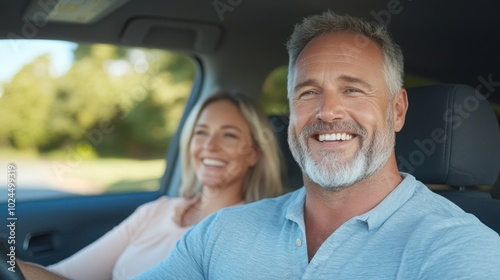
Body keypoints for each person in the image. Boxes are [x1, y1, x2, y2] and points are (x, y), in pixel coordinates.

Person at [135, 11, 500, 279]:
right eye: (308, 92)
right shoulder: (220, 233)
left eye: (352, 89)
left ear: (398, 109)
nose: (327, 112)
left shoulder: (459, 250)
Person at [17, 92, 283, 280]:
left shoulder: (248, 234)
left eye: (229, 135)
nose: (209, 146)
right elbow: (66, 274)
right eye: (200, 132)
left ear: (254, 153)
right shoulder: (157, 211)